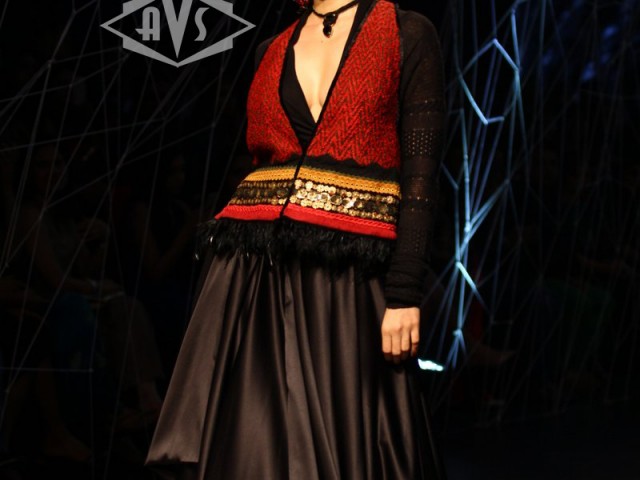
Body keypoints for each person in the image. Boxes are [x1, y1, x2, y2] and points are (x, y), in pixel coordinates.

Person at [145, 0, 447, 478]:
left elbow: (421, 177)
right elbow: (258, 161)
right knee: (254, 444)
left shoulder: (406, 33)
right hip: (255, 280)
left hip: (347, 283)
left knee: (353, 440)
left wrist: (405, 291)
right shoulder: (270, 49)